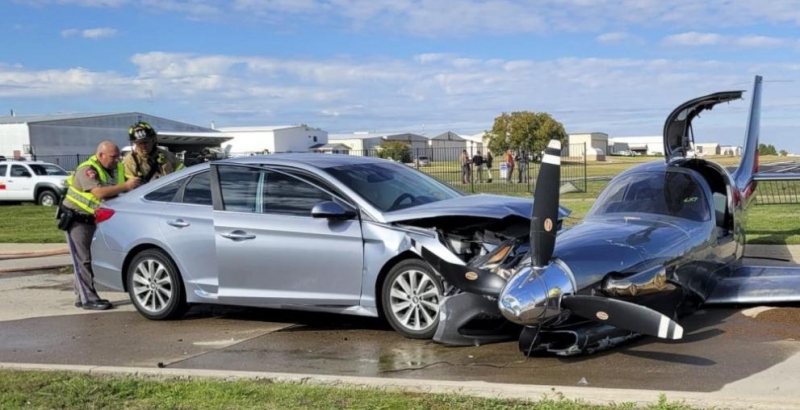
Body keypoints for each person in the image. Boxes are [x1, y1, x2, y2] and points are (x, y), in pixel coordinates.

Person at [59, 141, 141, 310]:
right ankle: (88, 298)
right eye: (112, 157)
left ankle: (80, 295)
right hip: (76, 220)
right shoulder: (87, 170)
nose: (116, 160)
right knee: (83, 260)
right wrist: (126, 186)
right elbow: (98, 193)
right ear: (100, 155)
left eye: (118, 156)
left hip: (94, 219)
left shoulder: (114, 169)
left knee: (88, 258)